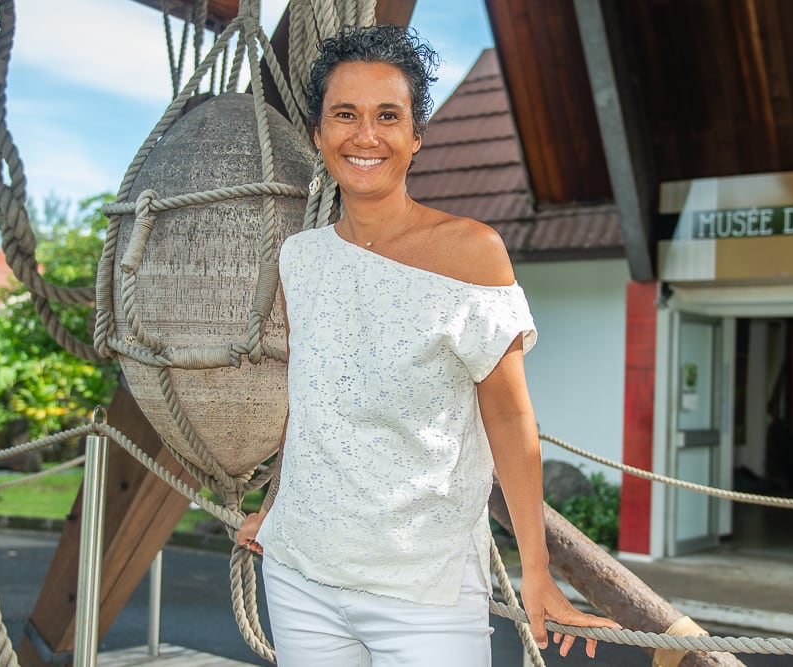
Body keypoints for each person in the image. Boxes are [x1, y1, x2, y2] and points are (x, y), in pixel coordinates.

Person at [236, 24, 618, 666]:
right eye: (344, 115)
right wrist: (272, 505)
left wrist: (536, 568)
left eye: (388, 115)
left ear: (416, 136)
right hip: (301, 573)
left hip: (425, 590)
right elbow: (312, 401)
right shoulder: (299, 259)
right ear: (318, 135)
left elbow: (509, 415)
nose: (365, 136)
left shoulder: (473, 252)